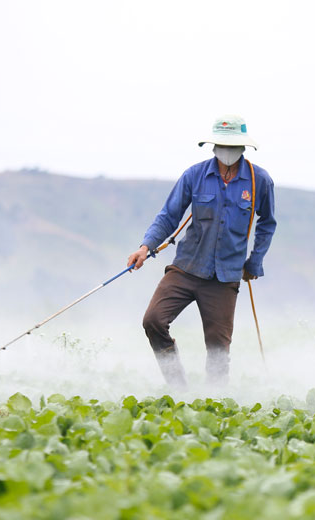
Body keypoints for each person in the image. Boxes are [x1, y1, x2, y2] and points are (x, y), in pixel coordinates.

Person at [127, 115, 277, 388]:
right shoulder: (195, 176)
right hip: (186, 267)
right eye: (223, 144)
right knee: (153, 321)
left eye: (233, 145)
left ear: (243, 147)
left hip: (225, 276)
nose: (228, 151)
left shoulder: (259, 181)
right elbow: (168, 216)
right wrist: (145, 247)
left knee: (219, 351)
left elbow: (267, 223)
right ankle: (178, 387)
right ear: (214, 145)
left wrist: (255, 262)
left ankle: (213, 405)